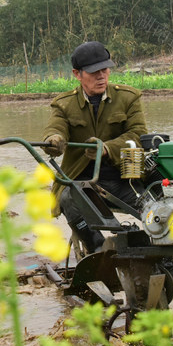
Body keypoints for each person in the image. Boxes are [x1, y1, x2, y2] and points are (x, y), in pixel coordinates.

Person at [42, 41, 147, 254]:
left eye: (105, 69)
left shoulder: (128, 98)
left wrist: (107, 148)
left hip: (124, 179)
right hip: (83, 182)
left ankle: (164, 260)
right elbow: (56, 128)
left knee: (158, 208)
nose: (102, 76)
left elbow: (138, 135)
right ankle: (100, 251)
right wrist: (53, 140)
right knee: (68, 198)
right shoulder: (63, 104)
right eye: (94, 72)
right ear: (77, 74)